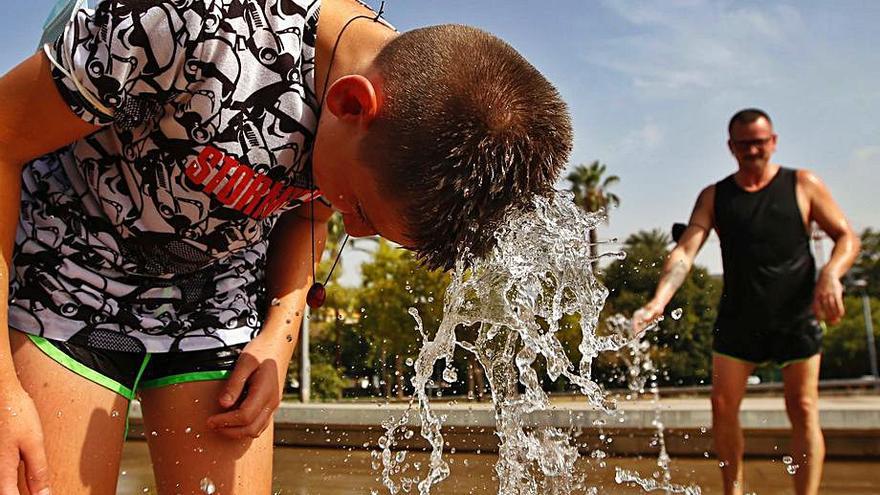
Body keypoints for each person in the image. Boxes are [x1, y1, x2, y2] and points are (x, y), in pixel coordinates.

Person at [0, 0, 573, 493]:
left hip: (214, 298)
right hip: (69, 268)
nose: (358, 231)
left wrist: (278, 334)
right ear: (353, 105)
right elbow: (2, 141)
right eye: (365, 213)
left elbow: (308, 213)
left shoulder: (384, 105)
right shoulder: (187, 23)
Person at [633, 108, 860, 495]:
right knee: (722, 407)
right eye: (744, 144)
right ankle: (732, 491)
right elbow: (686, 251)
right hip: (740, 317)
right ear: (731, 147)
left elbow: (847, 238)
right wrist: (658, 300)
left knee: (803, 409)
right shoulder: (715, 196)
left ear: (772, 142)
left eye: (759, 142)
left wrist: (830, 275)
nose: (753, 150)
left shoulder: (803, 185)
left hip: (796, 316)